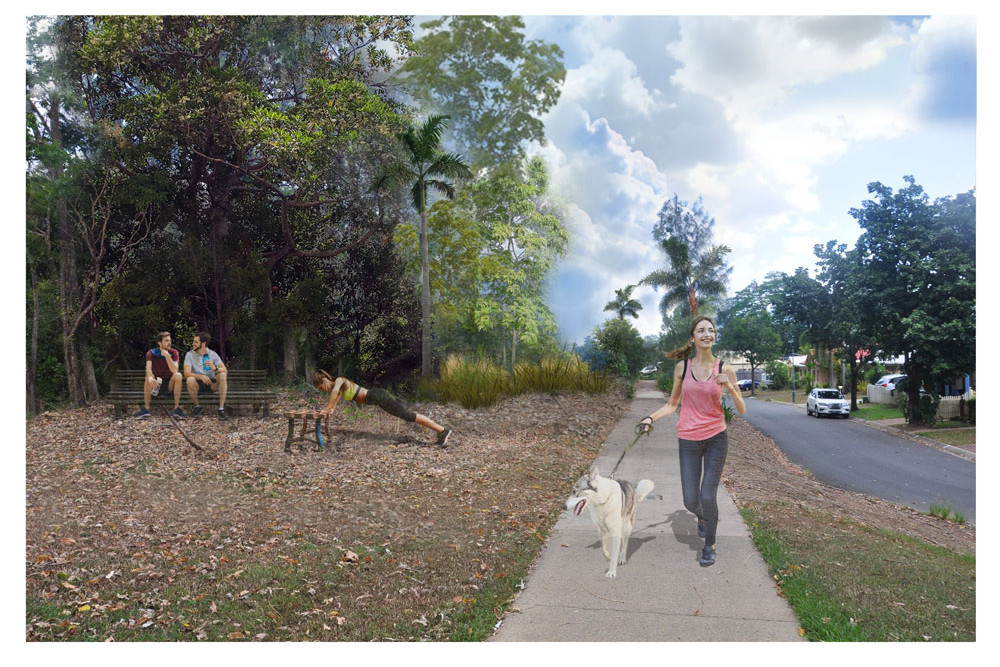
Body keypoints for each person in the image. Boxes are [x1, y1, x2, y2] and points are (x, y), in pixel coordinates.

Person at [637, 315, 746, 567]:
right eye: (701, 330)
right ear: (693, 337)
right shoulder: (682, 368)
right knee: (690, 500)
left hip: (716, 437)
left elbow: (741, 409)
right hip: (688, 438)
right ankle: (703, 518)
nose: (707, 334)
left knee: (708, 495)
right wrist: (650, 418)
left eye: (711, 330)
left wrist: (729, 386)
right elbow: (672, 404)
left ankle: (710, 545)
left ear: (714, 336)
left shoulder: (725, 368)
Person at [313, 370, 452, 447]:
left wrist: (327, 408)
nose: (322, 390)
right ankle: (441, 431)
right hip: (379, 399)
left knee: (409, 416)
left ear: (325, 380)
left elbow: (332, 395)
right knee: (408, 415)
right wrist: (328, 410)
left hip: (379, 396)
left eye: (321, 387)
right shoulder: (338, 390)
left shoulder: (339, 380)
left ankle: (442, 430)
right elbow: (333, 404)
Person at [134, 331, 185, 419]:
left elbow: (175, 370)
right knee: (148, 377)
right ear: (159, 343)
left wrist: (167, 356)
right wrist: (150, 377)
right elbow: (148, 368)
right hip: (156, 384)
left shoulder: (174, 352)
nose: (169, 343)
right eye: (166, 341)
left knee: (178, 375)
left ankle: (177, 410)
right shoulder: (151, 353)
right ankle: (146, 410)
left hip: (170, 385)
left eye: (170, 340)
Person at [184, 332, 229, 420]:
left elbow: (224, 370)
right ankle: (197, 406)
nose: (193, 344)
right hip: (197, 384)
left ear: (203, 343)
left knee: (223, 375)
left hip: (211, 384)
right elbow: (186, 373)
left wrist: (214, 368)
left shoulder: (212, 354)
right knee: (190, 380)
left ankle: (221, 409)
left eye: (196, 342)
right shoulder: (190, 355)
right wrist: (201, 377)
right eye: (194, 341)